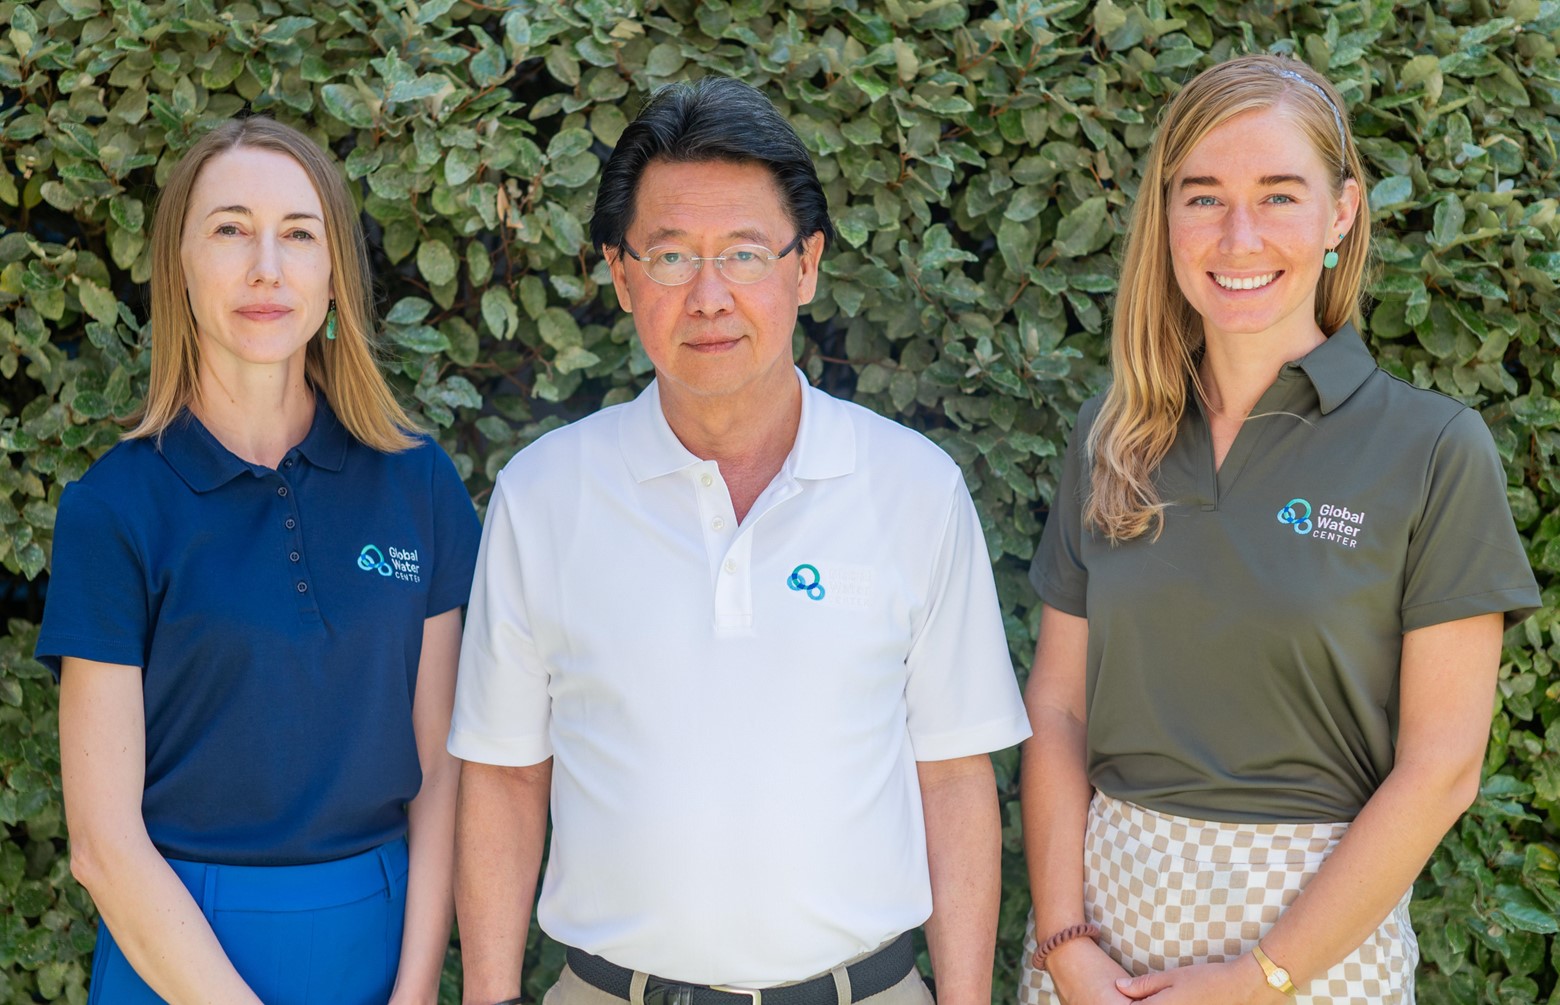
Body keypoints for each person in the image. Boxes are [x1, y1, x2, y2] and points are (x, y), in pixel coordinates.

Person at [449, 76, 1031, 1005]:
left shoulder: (914, 488)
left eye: (746, 254)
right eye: (672, 256)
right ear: (622, 273)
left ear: (805, 267)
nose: (710, 296)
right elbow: (506, 777)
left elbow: (956, 778)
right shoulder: (544, 495)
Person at [1018, 53, 1541, 1005]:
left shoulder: (1432, 448)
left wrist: (1260, 978)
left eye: (1279, 195)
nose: (1239, 235)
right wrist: (1063, 943)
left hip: (1315, 951)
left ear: (1341, 212)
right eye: (1204, 196)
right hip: (1100, 946)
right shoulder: (1112, 435)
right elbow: (1057, 709)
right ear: (1166, 217)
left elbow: (1443, 768)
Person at [37, 117, 481, 1005]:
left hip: (380, 945)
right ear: (181, 265)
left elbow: (441, 776)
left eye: (299, 235)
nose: (266, 268)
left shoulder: (419, 483)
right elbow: (103, 845)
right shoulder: (114, 508)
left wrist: (419, 986)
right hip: (175, 955)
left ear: (332, 275)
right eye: (231, 229)